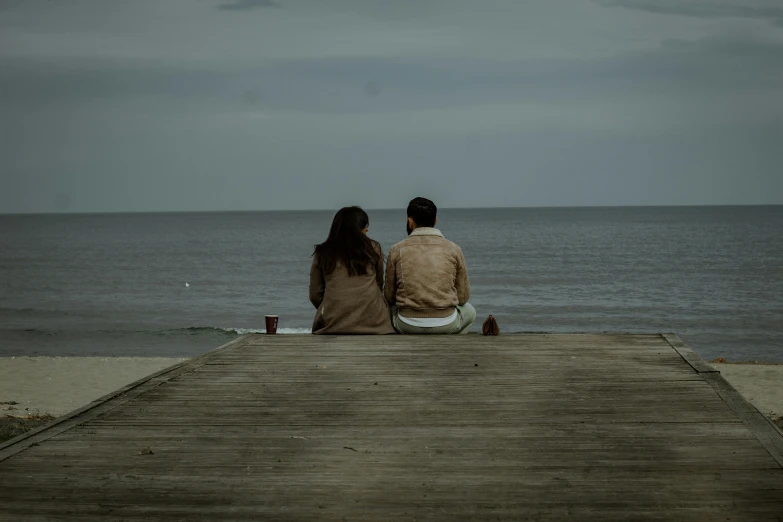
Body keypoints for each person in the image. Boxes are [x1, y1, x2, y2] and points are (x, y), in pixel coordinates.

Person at [384, 197, 476, 334]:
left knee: (386, 309)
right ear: (435, 221)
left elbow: (389, 296)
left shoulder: (397, 249)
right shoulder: (453, 249)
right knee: (470, 311)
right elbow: (463, 297)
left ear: (410, 221)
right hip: (446, 323)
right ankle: (454, 343)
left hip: (406, 324)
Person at [309, 206, 395, 335]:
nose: (367, 229)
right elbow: (378, 284)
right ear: (358, 228)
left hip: (334, 324)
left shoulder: (323, 252)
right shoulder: (373, 248)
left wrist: (332, 307)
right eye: (364, 225)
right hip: (376, 323)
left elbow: (315, 294)